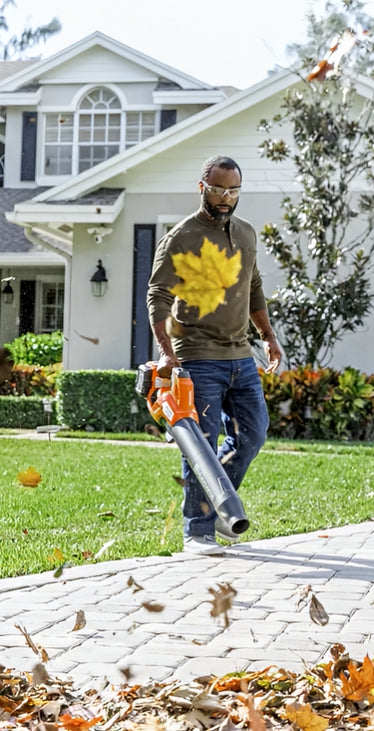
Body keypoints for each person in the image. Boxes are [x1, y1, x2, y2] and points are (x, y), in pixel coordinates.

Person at [147, 155, 282, 556]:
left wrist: (269, 336)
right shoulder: (181, 236)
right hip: (197, 355)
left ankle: (218, 505)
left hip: (240, 354)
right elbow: (158, 294)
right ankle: (198, 530)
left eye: (233, 190)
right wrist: (166, 354)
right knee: (202, 443)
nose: (226, 197)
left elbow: (254, 287)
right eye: (218, 189)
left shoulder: (245, 233)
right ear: (201, 186)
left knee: (253, 433)